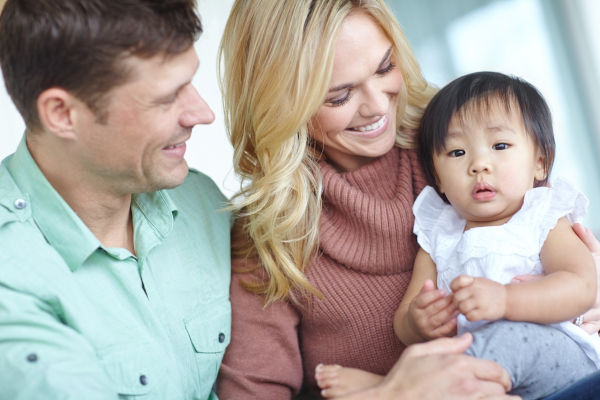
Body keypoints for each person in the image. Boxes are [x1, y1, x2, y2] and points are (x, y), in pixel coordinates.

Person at [216, 1, 599, 398]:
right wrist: (390, 394)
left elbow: (567, 267)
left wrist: (580, 291)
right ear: (281, 106)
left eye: (385, 68)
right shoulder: (266, 240)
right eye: (339, 96)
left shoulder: (460, 142)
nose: (378, 105)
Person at [315, 71, 600, 399]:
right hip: (480, 378)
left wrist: (507, 300)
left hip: (560, 359)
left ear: (539, 162)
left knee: (504, 338)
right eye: (457, 153)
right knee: (431, 357)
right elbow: (404, 318)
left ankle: (382, 391)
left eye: (500, 145)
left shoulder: (541, 218)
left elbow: (582, 286)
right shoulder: (440, 233)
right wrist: (420, 321)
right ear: (437, 175)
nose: (479, 164)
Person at [0, 1, 231, 399]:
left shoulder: (203, 203)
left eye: (190, 83)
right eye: (165, 98)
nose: (203, 113)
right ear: (62, 114)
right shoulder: (10, 280)